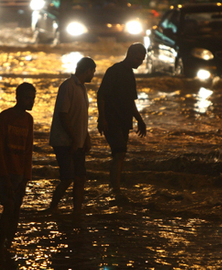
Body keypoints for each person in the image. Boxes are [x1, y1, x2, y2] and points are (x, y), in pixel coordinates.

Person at [47, 57, 97, 217]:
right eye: (93, 72)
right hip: (64, 141)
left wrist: (85, 136)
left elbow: (80, 117)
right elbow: (63, 115)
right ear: (88, 70)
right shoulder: (68, 86)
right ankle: (52, 207)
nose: (93, 75)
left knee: (80, 177)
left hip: (77, 141)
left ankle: (77, 210)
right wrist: (75, 138)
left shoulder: (82, 88)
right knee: (68, 177)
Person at [0, 82, 36, 252]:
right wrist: (4, 176)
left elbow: (28, 150)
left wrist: (26, 177)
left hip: (19, 172)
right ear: (18, 97)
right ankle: (2, 240)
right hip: (4, 170)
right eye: (27, 98)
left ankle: (8, 241)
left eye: (33, 98)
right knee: (9, 205)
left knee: (16, 208)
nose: (31, 102)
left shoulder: (29, 120)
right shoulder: (5, 117)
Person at [97, 43, 147, 193]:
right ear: (130, 55)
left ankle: (114, 186)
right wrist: (102, 117)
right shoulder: (114, 71)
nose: (140, 62)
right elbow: (101, 95)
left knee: (119, 154)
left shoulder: (129, 74)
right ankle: (115, 188)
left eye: (142, 60)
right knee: (119, 153)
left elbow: (130, 101)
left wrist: (139, 120)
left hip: (124, 121)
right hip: (112, 120)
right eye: (138, 59)